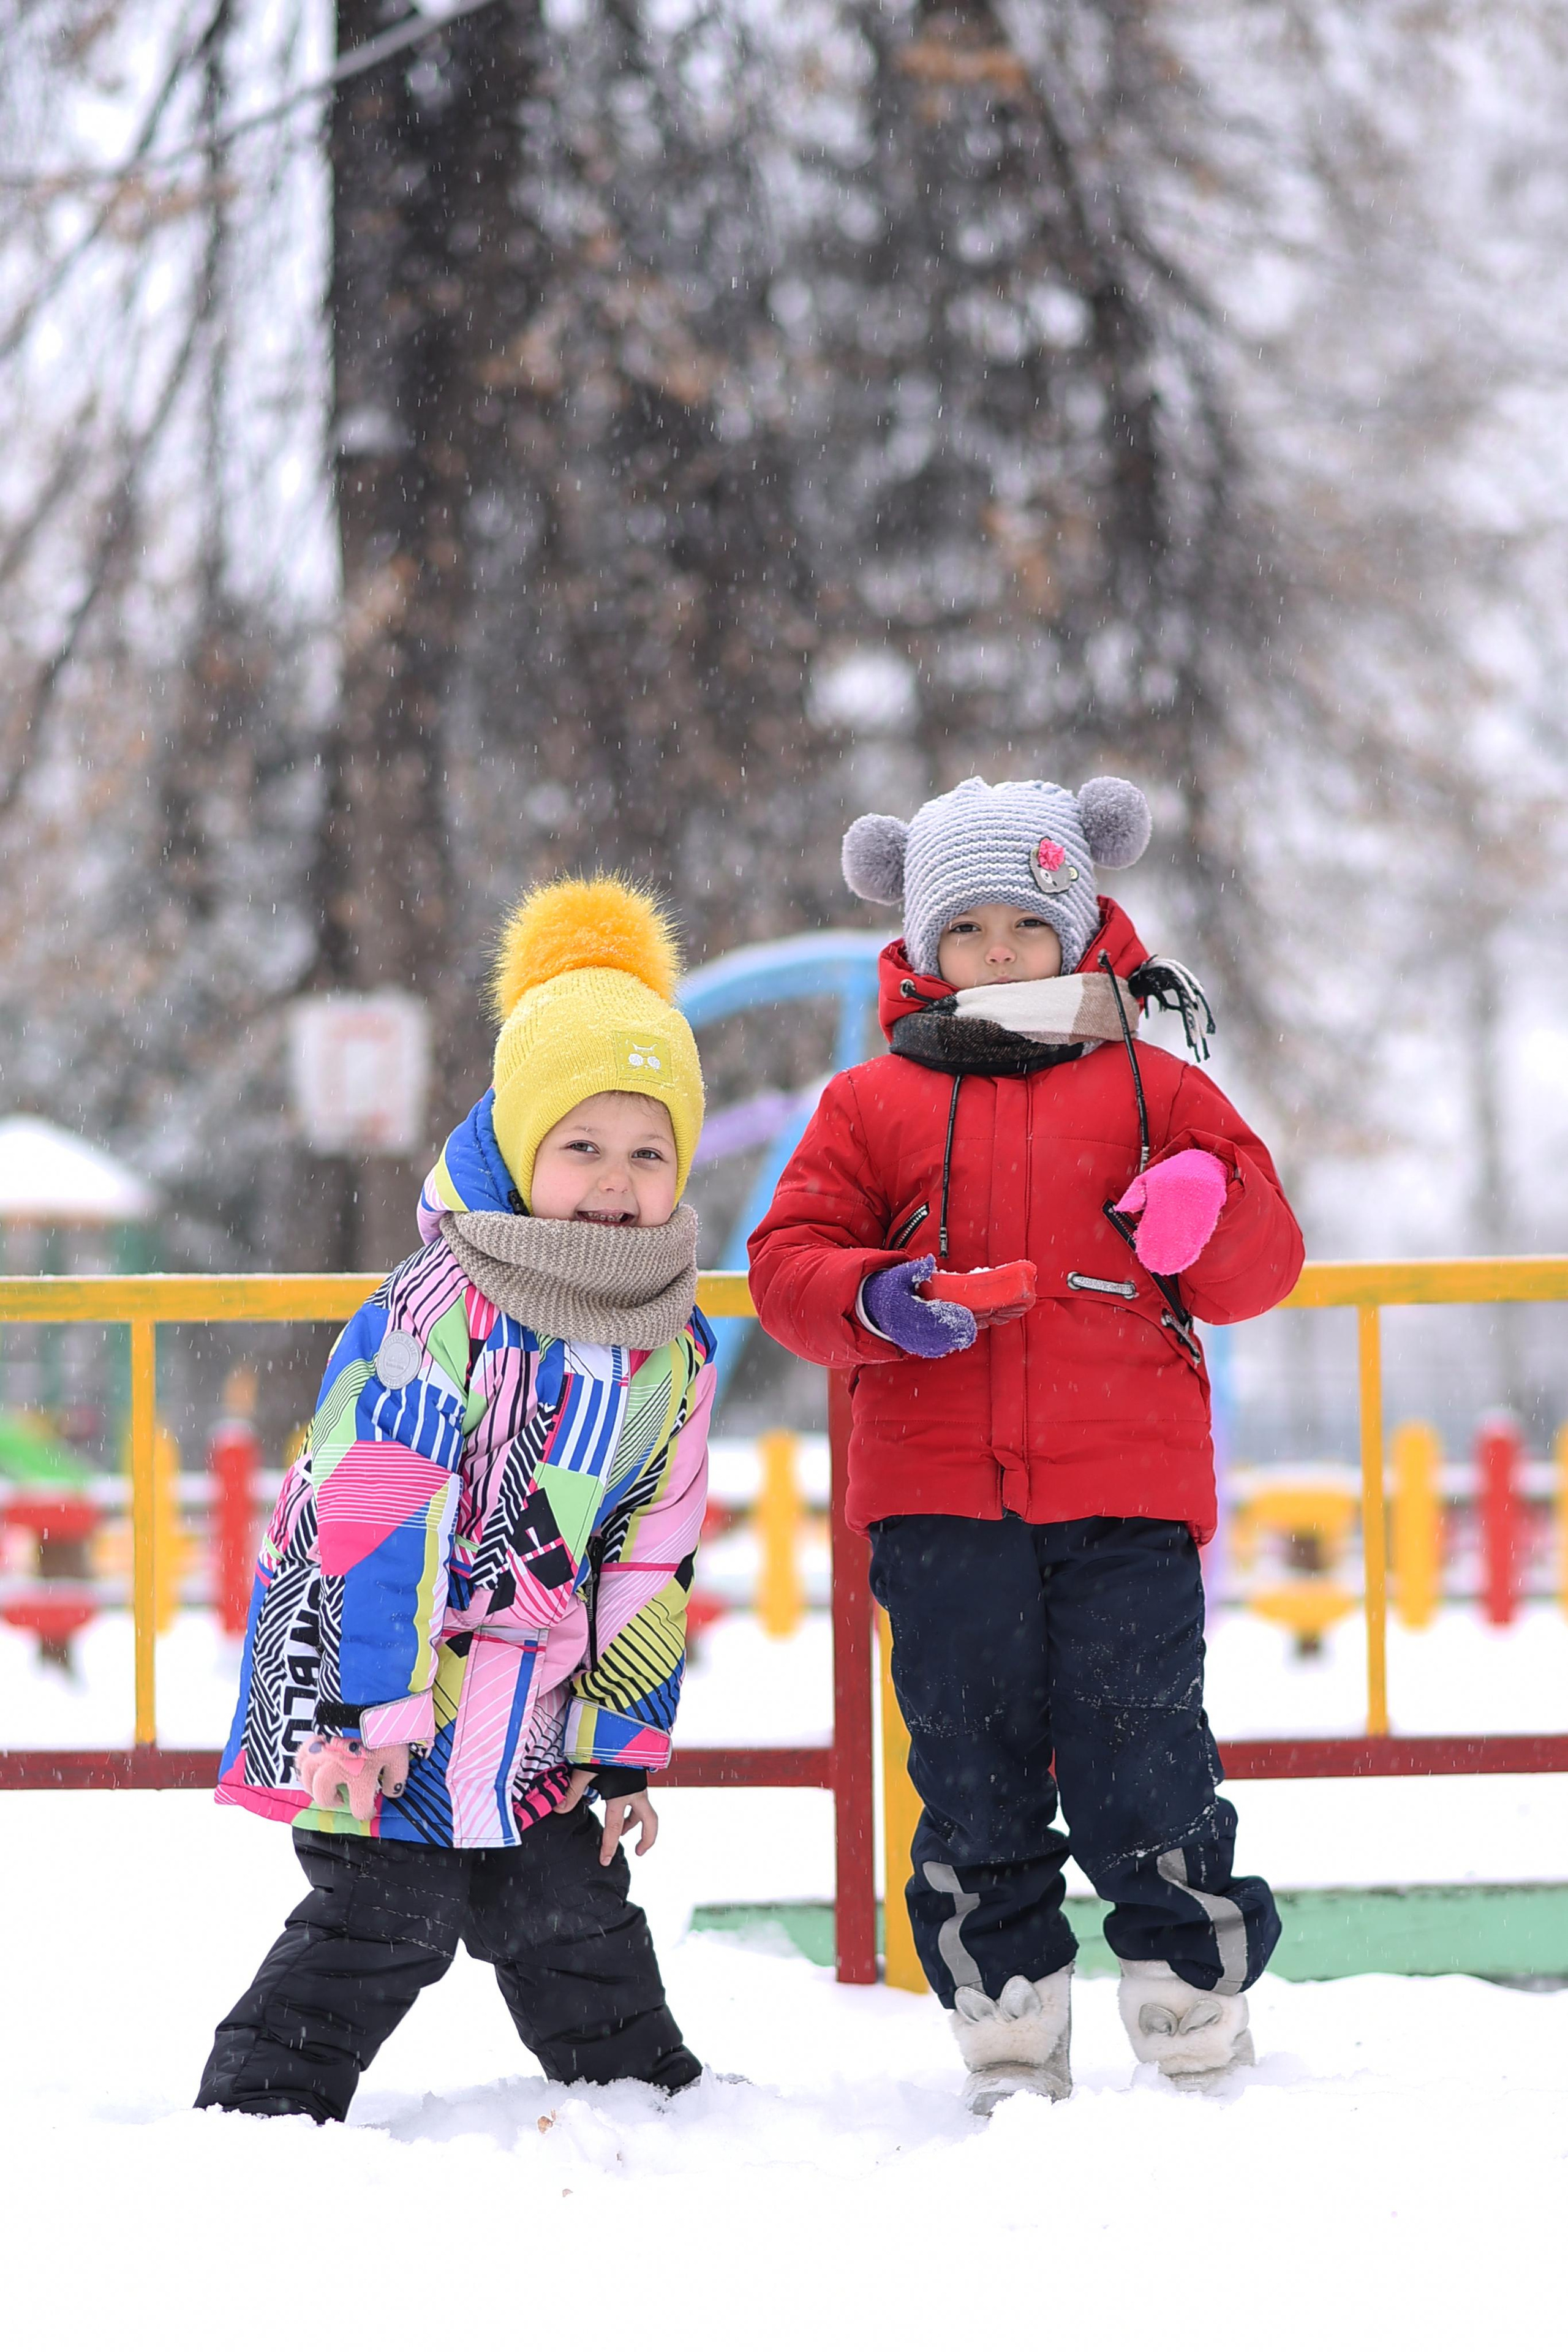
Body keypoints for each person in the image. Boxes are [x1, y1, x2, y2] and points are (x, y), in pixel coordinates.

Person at [748, 775, 1304, 2112]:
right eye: (965, 928)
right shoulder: (868, 1103)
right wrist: (877, 1294)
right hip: (940, 1502)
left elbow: (1258, 1266)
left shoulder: (1155, 1085)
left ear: (1079, 917)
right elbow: (787, 1263)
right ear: (921, 944)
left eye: (1022, 921)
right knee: (969, 1764)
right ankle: (1004, 2015)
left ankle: (1190, 2004)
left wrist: (1201, 1208)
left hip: (1124, 1493)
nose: (995, 951)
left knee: (1145, 1755)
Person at [198, 876, 715, 2123]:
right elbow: (382, 1504)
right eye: (579, 1145)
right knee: (388, 1906)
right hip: (366, 1664)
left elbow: (651, 1550)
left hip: (532, 1697)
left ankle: (647, 2104)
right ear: (520, 1145)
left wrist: (616, 1747)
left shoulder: (669, 1346)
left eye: (648, 1153)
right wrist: (369, 1703)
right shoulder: (444, 1304)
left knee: (564, 1903)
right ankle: (260, 2113)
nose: (612, 1181)